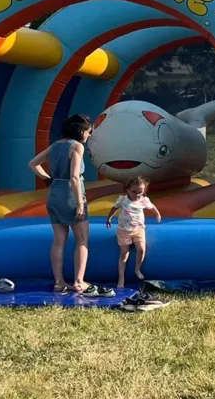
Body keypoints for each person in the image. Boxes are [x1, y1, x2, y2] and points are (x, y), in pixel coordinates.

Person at [28, 113, 111, 296]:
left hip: (55, 193)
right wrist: (80, 203)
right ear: (81, 131)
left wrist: (48, 179)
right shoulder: (76, 146)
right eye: (88, 131)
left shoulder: (55, 145)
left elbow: (33, 163)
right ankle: (79, 281)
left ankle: (59, 282)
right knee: (82, 239)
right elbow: (74, 177)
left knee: (59, 241)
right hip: (71, 194)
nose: (89, 135)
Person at [106, 176, 161, 288]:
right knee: (124, 255)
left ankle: (137, 269)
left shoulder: (144, 200)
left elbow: (152, 207)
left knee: (141, 249)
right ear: (128, 190)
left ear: (144, 190)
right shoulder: (122, 199)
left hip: (138, 229)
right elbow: (114, 208)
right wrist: (109, 218)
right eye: (134, 192)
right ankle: (121, 279)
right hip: (124, 230)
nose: (137, 195)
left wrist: (157, 214)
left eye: (140, 192)